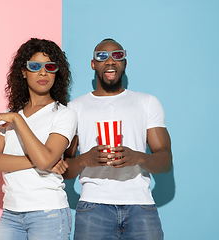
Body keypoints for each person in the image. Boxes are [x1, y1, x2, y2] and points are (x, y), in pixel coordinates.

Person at [63, 38, 172, 240]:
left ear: (124, 62)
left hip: (140, 206)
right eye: (102, 56)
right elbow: (64, 169)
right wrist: (86, 159)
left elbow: (165, 161)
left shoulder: (147, 103)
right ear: (93, 64)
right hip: (93, 208)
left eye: (118, 55)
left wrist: (138, 157)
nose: (110, 60)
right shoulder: (74, 108)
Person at [0, 38, 77, 240]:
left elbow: (44, 160)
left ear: (56, 72)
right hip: (10, 214)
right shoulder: (9, 114)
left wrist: (18, 120)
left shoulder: (63, 115)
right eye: (35, 66)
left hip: (48, 213)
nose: (43, 72)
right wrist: (40, 162)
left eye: (49, 66)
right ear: (24, 72)